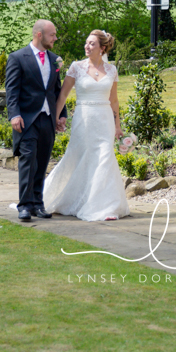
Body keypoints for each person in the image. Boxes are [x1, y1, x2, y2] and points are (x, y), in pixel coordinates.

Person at [41, 29, 130, 222]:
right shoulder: (76, 67)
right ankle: (70, 198)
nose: (86, 46)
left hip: (104, 118)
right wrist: (55, 118)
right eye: (86, 43)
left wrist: (117, 125)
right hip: (84, 119)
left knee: (105, 157)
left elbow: (114, 101)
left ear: (103, 48)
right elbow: (63, 95)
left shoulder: (112, 70)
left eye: (92, 44)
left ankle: (105, 206)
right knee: (79, 157)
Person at [6, 19, 67, 222]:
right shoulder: (17, 58)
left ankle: (37, 204)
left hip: (48, 118)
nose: (55, 38)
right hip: (26, 119)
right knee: (28, 160)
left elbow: (57, 90)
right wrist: (14, 114)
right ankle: (24, 205)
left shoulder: (54, 59)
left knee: (42, 161)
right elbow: (12, 90)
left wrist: (62, 115)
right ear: (39, 34)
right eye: (52, 34)